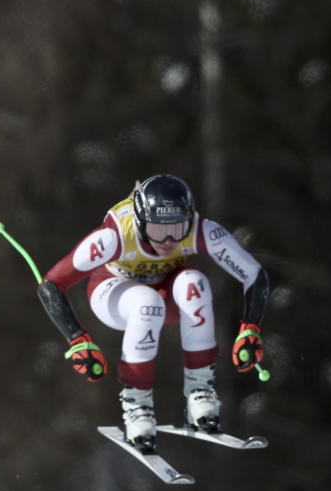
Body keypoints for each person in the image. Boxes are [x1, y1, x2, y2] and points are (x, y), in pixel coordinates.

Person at [36, 173, 269, 452]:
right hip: (112, 293)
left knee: (195, 283)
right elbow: (51, 283)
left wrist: (251, 327)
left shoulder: (201, 230)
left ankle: (200, 391)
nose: (169, 240)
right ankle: (137, 406)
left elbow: (254, 274)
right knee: (147, 303)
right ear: (140, 221)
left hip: (166, 291)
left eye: (178, 228)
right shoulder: (115, 236)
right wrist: (78, 339)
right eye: (158, 231)